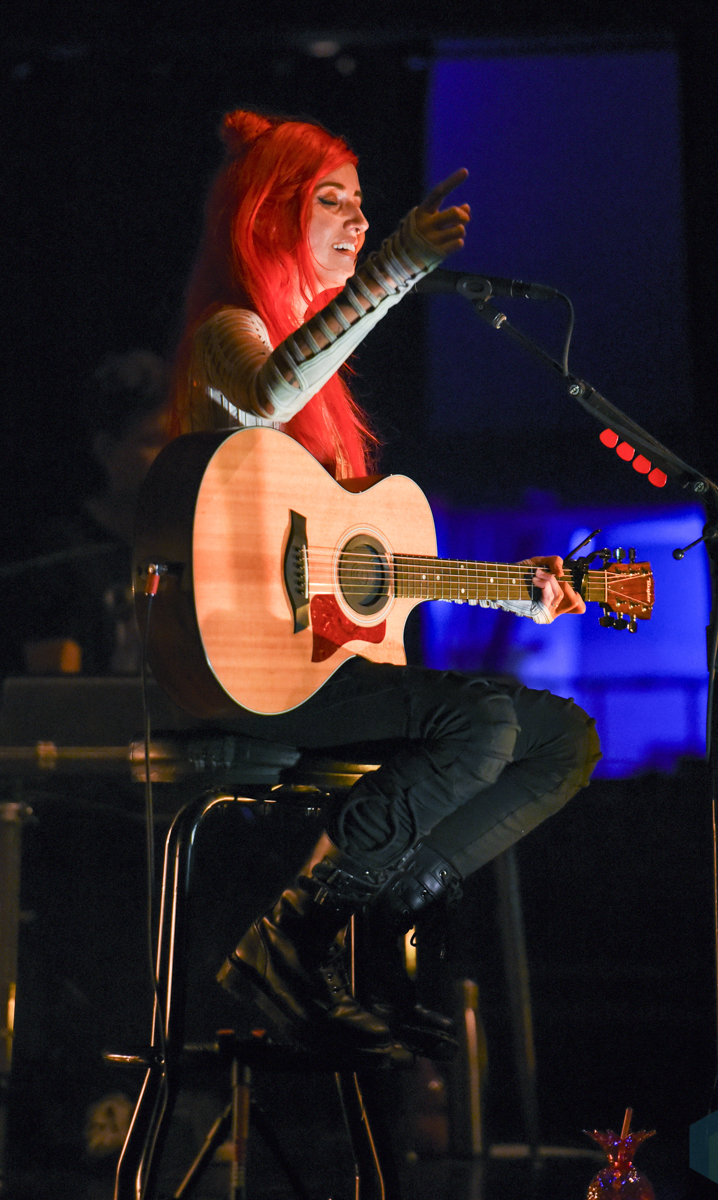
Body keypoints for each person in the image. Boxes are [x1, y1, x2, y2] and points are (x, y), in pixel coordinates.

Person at [166, 109, 601, 1060]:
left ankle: (384, 907)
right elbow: (269, 392)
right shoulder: (228, 330)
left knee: (561, 740)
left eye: (364, 206)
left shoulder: (322, 373)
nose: (360, 222)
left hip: (323, 669)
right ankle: (295, 933)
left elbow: (372, 573)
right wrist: (396, 266)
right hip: (251, 673)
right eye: (332, 201)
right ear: (268, 215)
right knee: (478, 721)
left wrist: (510, 589)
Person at [2, 351, 171, 678]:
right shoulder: (62, 553)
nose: (171, 455)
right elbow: (55, 693)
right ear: (106, 450)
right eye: (153, 441)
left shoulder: (192, 541)